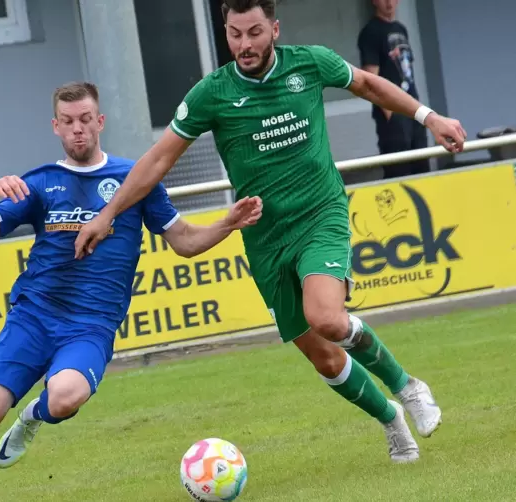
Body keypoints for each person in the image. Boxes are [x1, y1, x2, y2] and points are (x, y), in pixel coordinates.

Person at [74, 0, 468, 464]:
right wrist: (108, 213)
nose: (244, 44)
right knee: (323, 356)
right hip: (264, 235)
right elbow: (158, 159)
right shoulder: (211, 94)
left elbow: (367, 83)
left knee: (325, 316)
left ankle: (408, 387)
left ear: (275, 29)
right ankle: (390, 419)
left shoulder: (310, 62)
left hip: (320, 213)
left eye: (254, 32)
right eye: (235, 34)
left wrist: (430, 117)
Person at [0, 81, 263, 502]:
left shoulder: (134, 180)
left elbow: (183, 241)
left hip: (90, 326)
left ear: (100, 122)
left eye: (85, 120)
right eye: (67, 122)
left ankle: (30, 418)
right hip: (33, 317)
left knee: (63, 396)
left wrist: (227, 224)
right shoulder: (41, 183)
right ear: (55, 127)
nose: (77, 129)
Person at [358, 0, 430, 178]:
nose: (389, 3)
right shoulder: (371, 32)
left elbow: (407, 71)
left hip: (413, 108)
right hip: (392, 110)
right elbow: (370, 78)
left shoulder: (401, 29)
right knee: (399, 169)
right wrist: (390, 114)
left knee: (422, 163)